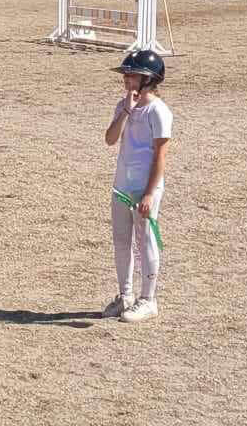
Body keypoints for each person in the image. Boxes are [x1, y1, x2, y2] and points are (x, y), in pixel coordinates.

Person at [104, 49, 172, 323]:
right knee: (121, 241)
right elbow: (110, 139)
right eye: (126, 75)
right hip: (122, 184)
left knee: (145, 242)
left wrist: (149, 193)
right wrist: (124, 112)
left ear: (148, 79)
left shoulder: (159, 111)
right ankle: (126, 295)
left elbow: (160, 156)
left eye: (132, 75)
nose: (126, 80)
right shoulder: (124, 105)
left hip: (145, 187)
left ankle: (148, 299)